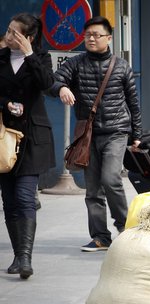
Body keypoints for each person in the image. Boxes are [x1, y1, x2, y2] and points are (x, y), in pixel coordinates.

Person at [51, 16, 142, 251]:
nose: (91, 39)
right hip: (88, 134)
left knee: (111, 178)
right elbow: (55, 80)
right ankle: (101, 237)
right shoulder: (76, 63)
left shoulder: (121, 66)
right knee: (92, 189)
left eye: (96, 35)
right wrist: (61, 87)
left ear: (109, 38)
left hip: (116, 131)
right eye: (88, 35)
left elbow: (133, 102)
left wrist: (137, 135)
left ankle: (124, 227)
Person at [0, 13, 55, 279]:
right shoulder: (0, 58)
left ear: (28, 37)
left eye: (15, 33)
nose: (8, 36)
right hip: (4, 138)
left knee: (24, 197)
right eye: (8, 31)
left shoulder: (41, 59)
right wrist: (4, 104)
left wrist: (30, 54)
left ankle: (25, 258)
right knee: (9, 200)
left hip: (32, 137)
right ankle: (16, 254)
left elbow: (46, 83)